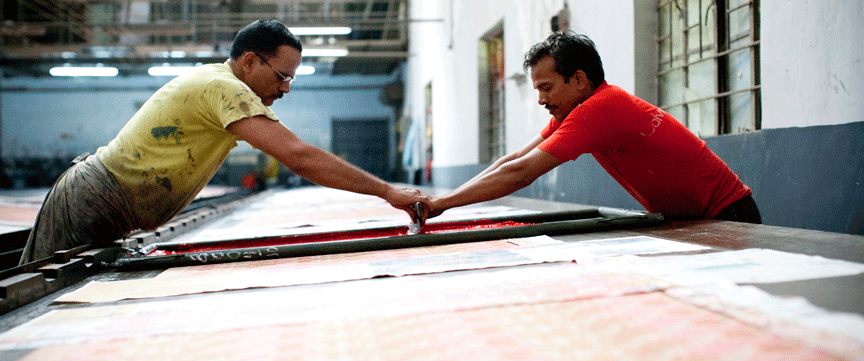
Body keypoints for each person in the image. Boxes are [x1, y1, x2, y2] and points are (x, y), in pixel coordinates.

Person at [19, 19, 429, 264]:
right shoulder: (224, 88)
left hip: (106, 205)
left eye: (292, 79)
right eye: (282, 76)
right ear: (250, 61)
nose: (286, 89)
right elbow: (299, 157)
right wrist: (387, 191)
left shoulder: (222, 86)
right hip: (91, 201)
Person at [422, 31, 760, 225]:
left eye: (546, 87)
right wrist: (441, 200)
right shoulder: (575, 110)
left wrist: (443, 204)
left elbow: (521, 173)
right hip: (695, 219)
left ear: (580, 79)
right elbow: (513, 160)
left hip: (728, 214)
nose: (541, 99)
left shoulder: (601, 108)